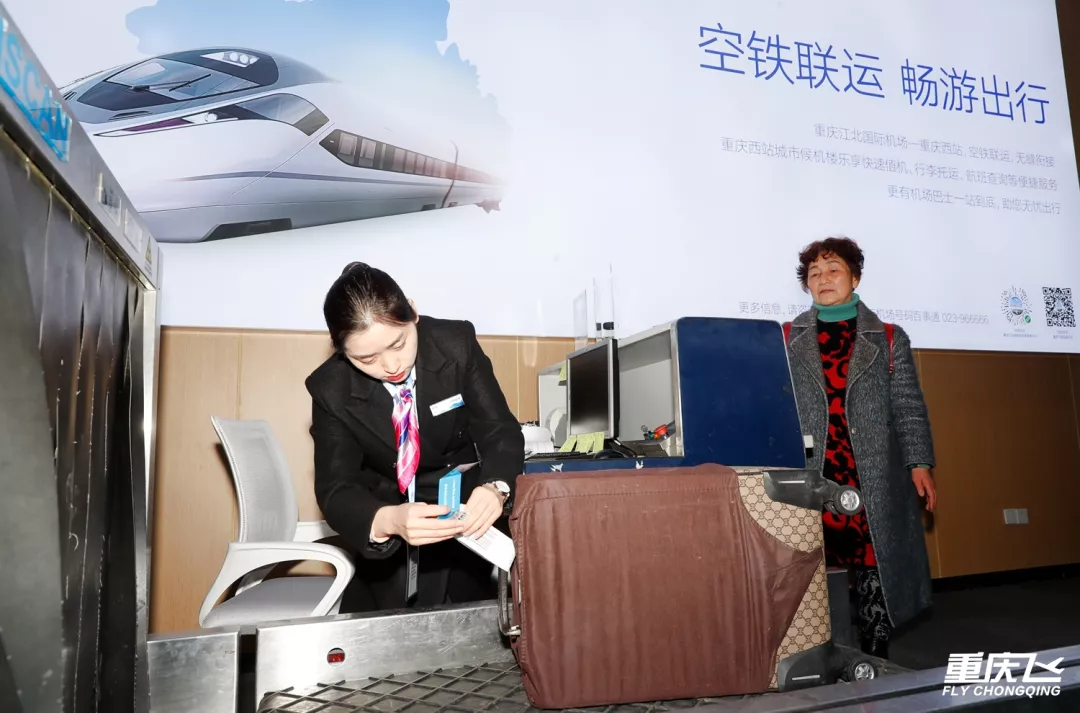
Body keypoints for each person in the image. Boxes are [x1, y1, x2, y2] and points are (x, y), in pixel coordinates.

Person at [305, 262, 525, 613]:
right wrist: (389, 520)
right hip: (391, 527)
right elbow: (336, 488)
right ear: (339, 349)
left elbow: (499, 430)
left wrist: (495, 487)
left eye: (399, 343)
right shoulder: (330, 388)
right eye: (367, 358)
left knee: (484, 621)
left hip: (468, 517)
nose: (391, 365)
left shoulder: (456, 344)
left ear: (413, 313)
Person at [784, 237, 937, 659]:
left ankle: (874, 650)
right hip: (814, 469)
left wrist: (919, 463)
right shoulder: (787, 337)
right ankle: (819, 650)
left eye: (833, 270)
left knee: (874, 559)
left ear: (855, 278)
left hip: (872, 468)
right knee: (813, 559)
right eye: (814, 273)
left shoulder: (887, 337)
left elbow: (908, 406)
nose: (823, 279)